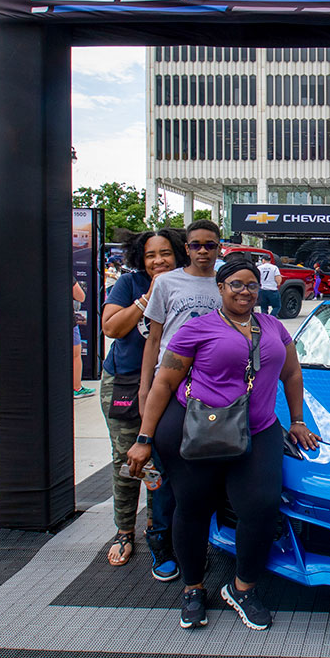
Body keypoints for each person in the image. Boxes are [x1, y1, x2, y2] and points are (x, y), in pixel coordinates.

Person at [127, 257, 320, 632]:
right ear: (220, 288)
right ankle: (193, 588)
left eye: (251, 285)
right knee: (194, 507)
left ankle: (242, 588)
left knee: (261, 508)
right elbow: (164, 384)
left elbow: (292, 373)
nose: (245, 292)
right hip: (199, 429)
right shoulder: (196, 330)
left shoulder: (273, 327)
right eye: (236, 285)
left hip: (259, 429)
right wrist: (144, 438)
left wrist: (297, 420)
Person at [98, 229, 183, 573]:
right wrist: (148, 296)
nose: (158, 260)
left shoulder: (187, 283)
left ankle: (156, 529)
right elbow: (112, 329)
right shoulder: (130, 284)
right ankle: (123, 530)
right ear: (140, 258)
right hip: (125, 382)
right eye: (150, 255)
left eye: (165, 253)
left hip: (169, 385)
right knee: (125, 459)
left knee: (159, 460)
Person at [139, 219, 223, 414]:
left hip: (213, 380)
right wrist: (145, 389)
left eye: (210, 245)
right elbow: (153, 339)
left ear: (219, 248)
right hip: (170, 378)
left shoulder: (228, 284)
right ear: (187, 248)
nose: (203, 251)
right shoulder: (166, 283)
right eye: (196, 245)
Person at [72, 280, 96, 400]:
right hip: (65, 319)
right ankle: (76, 388)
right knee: (75, 355)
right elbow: (80, 296)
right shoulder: (65, 275)